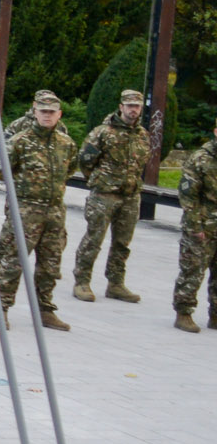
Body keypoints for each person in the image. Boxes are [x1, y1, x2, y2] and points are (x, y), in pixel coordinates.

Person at [0, 91, 78, 330]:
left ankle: (45, 310)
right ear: (35, 112)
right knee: (13, 261)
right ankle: (2, 308)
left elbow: (71, 168)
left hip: (54, 211)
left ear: (59, 115)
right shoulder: (20, 141)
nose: (47, 116)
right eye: (43, 111)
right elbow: (0, 169)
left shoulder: (66, 144)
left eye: (51, 112)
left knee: (50, 264)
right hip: (26, 210)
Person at [73, 89, 159, 305]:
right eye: (129, 106)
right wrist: (99, 180)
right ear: (121, 107)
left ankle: (116, 283)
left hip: (130, 196)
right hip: (104, 195)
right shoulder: (103, 132)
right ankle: (82, 281)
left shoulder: (142, 135)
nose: (133, 110)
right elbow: (85, 160)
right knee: (94, 239)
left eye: (137, 106)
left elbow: (142, 162)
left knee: (122, 243)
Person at [172, 117, 217, 333]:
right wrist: (195, 227)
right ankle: (184, 313)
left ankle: (215, 315)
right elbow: (188, 197)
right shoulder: (201, 159)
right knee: (192, 270)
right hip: (202, 226)